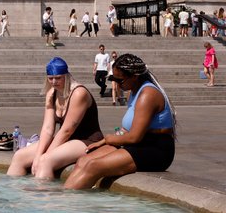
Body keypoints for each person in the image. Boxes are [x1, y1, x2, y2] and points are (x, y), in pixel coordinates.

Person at [65, 53, 176, 189]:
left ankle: (67, 205)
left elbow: (134, 137)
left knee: (93, 166)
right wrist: (102, 142)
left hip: (155, 149)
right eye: (113, 79)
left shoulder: (148, 94)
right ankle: (66, 199)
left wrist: (108, 139)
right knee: (83, 161)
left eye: (120, 80)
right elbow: (126, 131)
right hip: (138, 143)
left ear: (134, 76)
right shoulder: (134, 90)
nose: (116, 83)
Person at [8, 57, 103, 179]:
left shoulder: (79, 93)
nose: (53, 82)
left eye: (58, 78)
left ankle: (43, 196)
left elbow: (67, 130)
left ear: (66, 76)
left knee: (45, 161)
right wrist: (37, 156)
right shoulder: (51, 93)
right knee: (19, 156)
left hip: (87, 141)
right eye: (50, 78)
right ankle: (11, 194)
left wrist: (43, 157)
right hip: (68, 140)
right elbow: (47, 128)